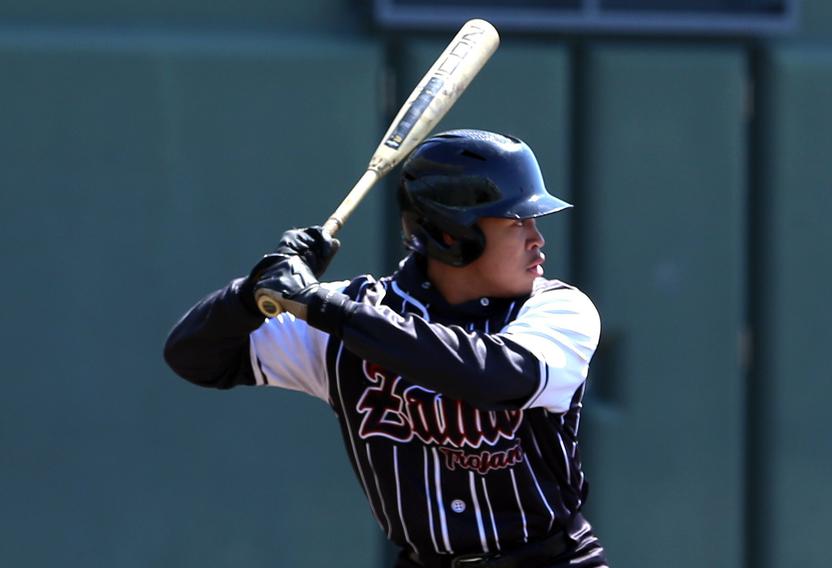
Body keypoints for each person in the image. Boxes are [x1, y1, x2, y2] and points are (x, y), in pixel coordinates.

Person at [164, 129, 608, 568]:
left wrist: (321, 305)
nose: (537, 239)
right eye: (517, 222)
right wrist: (252, 292)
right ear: (452, 235)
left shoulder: (558, 308)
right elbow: (195, 356)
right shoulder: (343, 315)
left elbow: (495, 376)